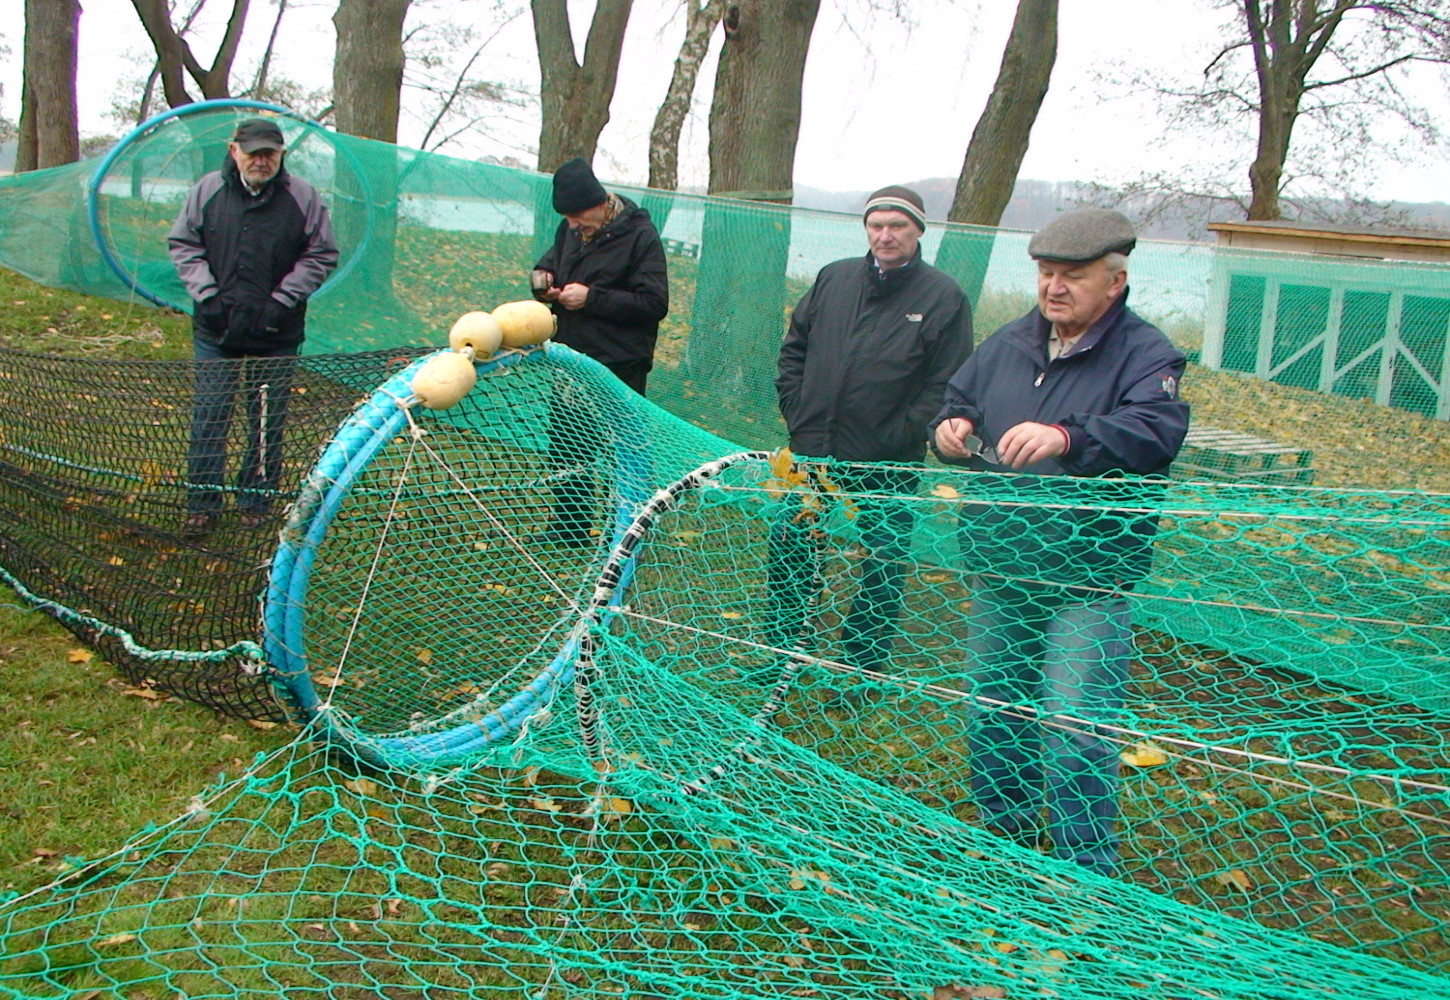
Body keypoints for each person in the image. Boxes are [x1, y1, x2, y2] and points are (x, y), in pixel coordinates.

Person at [929, 208, 1189, 876]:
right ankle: (1007, 837)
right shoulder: (1008, 342)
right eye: (1046, 274)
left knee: (1075, 727)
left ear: (1116, 280)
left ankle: (1082, 867)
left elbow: (1155, 430)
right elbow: (954, 401)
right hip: (1001, 566)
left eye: (1072, 276)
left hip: (1088, 577)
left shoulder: (1147, 355)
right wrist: (950, 431)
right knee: (995, 713)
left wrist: (1070, 438)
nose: (1054, 288)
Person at [770, 185, 974, 699]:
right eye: (876, 224)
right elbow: (794, 350)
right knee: (791, 545)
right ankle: (782, 654)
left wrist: (900, 432)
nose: (885, 235)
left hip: (888, 461)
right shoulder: (834, 278)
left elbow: (946, 385)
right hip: (812, 452)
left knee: (881, 564)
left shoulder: (943, 297)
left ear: (919, 231)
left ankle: (860, 670)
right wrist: (798, 411)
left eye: (898, 226)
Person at [168, 117, 338, 536]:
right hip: (216, 329)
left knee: (265, 420)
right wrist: (206, 295)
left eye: (270, 153)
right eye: (253, 152)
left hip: (274, 331)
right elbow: (184, 244)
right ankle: (202, 503)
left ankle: (256, 503)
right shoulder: (208, 190)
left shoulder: (303, 197)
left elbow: (321, 253)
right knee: (210, 414)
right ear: (234, 151)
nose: (261, 161)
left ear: (282, 156)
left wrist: (282, 300)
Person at [529, 157, 668, 545]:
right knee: (569, 448)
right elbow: (549, 263)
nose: (573, 225)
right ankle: (568, 529)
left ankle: (622, 532)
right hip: (571, 358)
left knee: (621, 451)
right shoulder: (570, 230)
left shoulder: (641, 237)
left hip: (619, 363)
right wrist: (545, 282)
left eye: (578, 215)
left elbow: (654, 303)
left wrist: (593, 298)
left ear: (602, 202)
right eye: (567, 218)